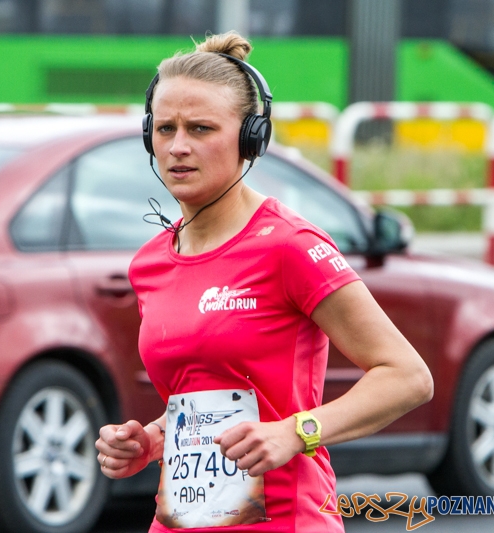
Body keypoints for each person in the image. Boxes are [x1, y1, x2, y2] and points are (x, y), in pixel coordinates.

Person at [94, 31, 433, 532]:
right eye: (165, 128)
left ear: (251, 136)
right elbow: (209, 398)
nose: (179, 146)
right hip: (179, 523)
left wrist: (297, 433)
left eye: (201, 128)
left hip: (285, 520)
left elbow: (407, 377)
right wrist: (150, 441)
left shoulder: (289, 246)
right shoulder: (151, 262)